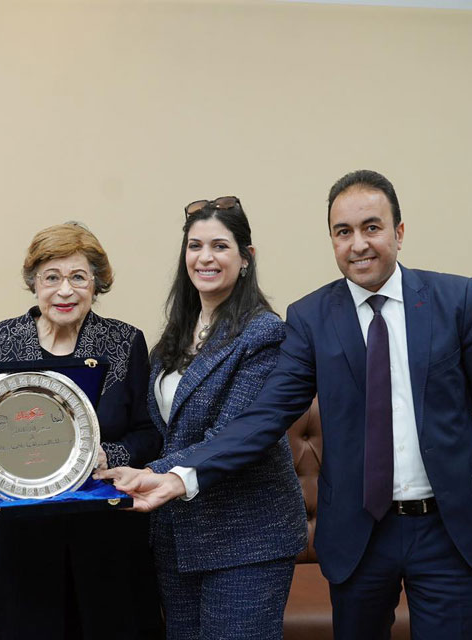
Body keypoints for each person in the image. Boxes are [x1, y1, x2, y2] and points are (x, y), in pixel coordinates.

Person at [101, 171, 472, 640]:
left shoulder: (456, 301)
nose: (358, 244)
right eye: (343, 232)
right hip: (359, 533)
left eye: (371, 227)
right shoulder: (311, 317)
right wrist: (180, 476)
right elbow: (265, 417)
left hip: (450, 528)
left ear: (399, 232)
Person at [101, 197, 307, 640]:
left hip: (246, 537)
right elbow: (160, 428)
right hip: (177, 534)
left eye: (219, 246)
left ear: (246, 258)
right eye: (195, 246)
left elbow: (232, 433)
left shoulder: (264, 333)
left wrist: (149, 472)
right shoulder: (178, 331)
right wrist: (107, 458)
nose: (205, 257)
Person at [0, 222, 163, 640]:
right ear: (34, 283)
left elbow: (149, 434)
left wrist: (109, 455)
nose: (65, 291)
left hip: (107, 531)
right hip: (28, 532)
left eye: (78, 277)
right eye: (52, 277)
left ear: (96, 283)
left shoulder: (125, 342)